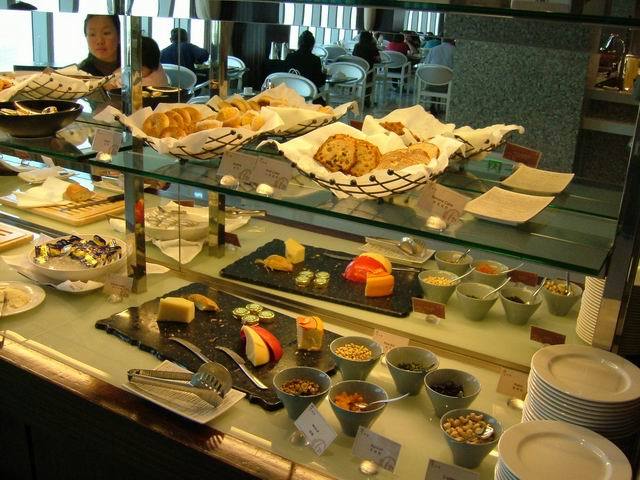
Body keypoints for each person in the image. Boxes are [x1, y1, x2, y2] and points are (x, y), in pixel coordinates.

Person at [352, 31, 380, 108]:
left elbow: (353, 56)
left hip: (356, 72)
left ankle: (354, 98)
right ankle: (367, 100)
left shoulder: (357, 46)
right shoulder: (372, 47)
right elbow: (378, 59)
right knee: (371, 75)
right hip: (368, 72)